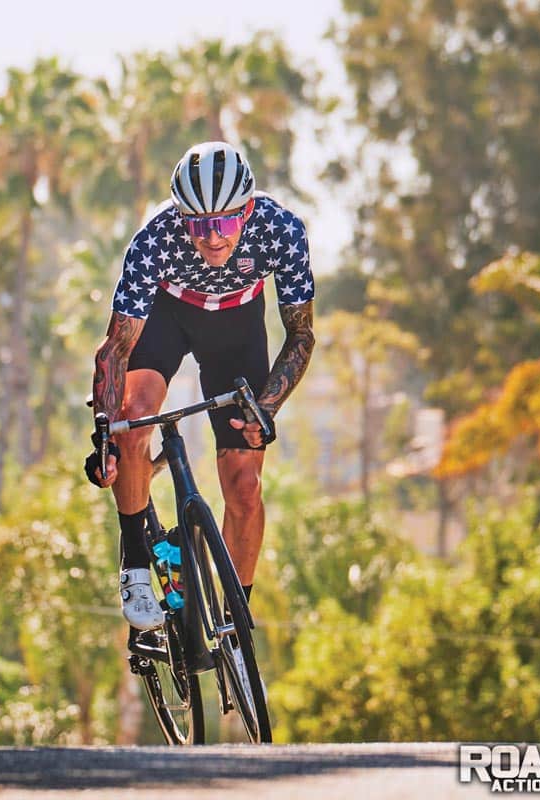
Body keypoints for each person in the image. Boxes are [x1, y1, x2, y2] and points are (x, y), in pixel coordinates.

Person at [86, 141, 315, 629]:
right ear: (181, 218)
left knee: (246, 485)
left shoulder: (282, 230)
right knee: (133, 419)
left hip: (236, 326)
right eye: (200, 225)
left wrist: (266, 409)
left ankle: (237, 619)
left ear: (248, 211)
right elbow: (116, 350)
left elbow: (301, 334)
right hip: (169, 316)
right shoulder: (154, 239)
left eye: (227, 223)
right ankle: (135, 566)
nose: (213, 239)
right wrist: (105, 432)